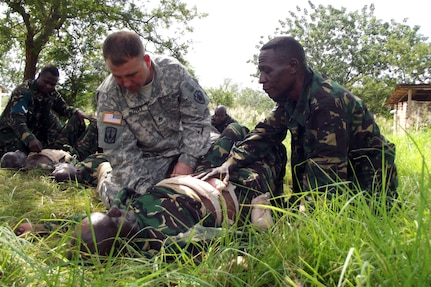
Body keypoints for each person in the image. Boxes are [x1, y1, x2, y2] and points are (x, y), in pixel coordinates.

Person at [14, 123, 286, 257]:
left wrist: (40, 227)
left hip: (198, 175)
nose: (116, 210)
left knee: (236, 131)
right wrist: (261, 226)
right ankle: (282, 198)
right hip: (235, 190)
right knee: (273, 151)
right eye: (114, 218)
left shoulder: (126, 217)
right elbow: (229, 239)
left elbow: (79, 225)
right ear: (119, 239)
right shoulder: (169, 241)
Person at [201, 36, 398, 208]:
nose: (261, 80)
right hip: (335, 180)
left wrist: (301, 223)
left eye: (267, 71)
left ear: (293, 66)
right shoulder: (291, 99)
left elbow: (326, 181)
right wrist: (229, 163)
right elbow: (263, 135)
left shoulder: (326, 104)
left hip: (366, 189)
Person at [96, 31, 212, 207]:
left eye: (131, 75)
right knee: (122, 199)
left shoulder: (173, 71)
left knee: (226, 157)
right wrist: (147, 191)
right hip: (149, 159)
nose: (126, 83)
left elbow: (197, 119)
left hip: (186, 146)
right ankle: (105, 174)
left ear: (147, 61)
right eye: (118, 77)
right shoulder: (108, 95)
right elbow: (120, 151)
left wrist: (187, 160)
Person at [0, 65, 96, 159]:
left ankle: (68, 153)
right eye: (45, 82)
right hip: (12, 135)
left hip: (37, 136)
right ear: (39, 77)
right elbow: (17, 120)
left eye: (52, 84)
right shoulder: (23, 92)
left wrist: (77, 112)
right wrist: (29, 139)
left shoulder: (51, 93)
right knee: (17, 158)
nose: (48, 86)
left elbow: (63, 108)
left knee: (76, 117)